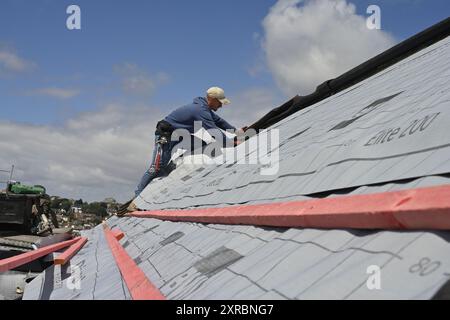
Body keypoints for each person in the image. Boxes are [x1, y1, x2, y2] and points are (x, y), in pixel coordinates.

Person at [134, 86, 239, 197]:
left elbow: (219, 121)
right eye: (220, 102)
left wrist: (236, 131)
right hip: (166, 135)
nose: (221, 106)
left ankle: (172, 165)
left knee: (201, 145)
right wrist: (231, 144)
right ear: (212, 99)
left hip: (181, 135)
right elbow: (213, 130)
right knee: (156, 167)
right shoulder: (200, 110)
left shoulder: (205, 108)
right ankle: (137, 196)